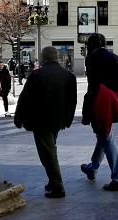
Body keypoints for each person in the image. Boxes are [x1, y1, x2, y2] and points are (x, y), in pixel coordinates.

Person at [13, 47, 77, 198]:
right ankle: (52, 181)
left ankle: (57, 185)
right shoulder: (68, 76)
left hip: (40, 120)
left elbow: (25, 99)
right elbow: (72, 101)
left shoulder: (37, 75)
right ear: (56, 57)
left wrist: (18, 118)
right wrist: (68, 119)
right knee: (50, 148)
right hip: (58, 120)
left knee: (47, 153)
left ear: (44, 58)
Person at [80, 33, 118, 191]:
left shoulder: (92, 58)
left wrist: (87, 110)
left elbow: (92, 86)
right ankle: (92, 167)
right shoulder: (114, 57)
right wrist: (117, 98)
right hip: (112, 99)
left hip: (98, 101)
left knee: (106, 137)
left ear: (90, 45)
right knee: (102, 135)